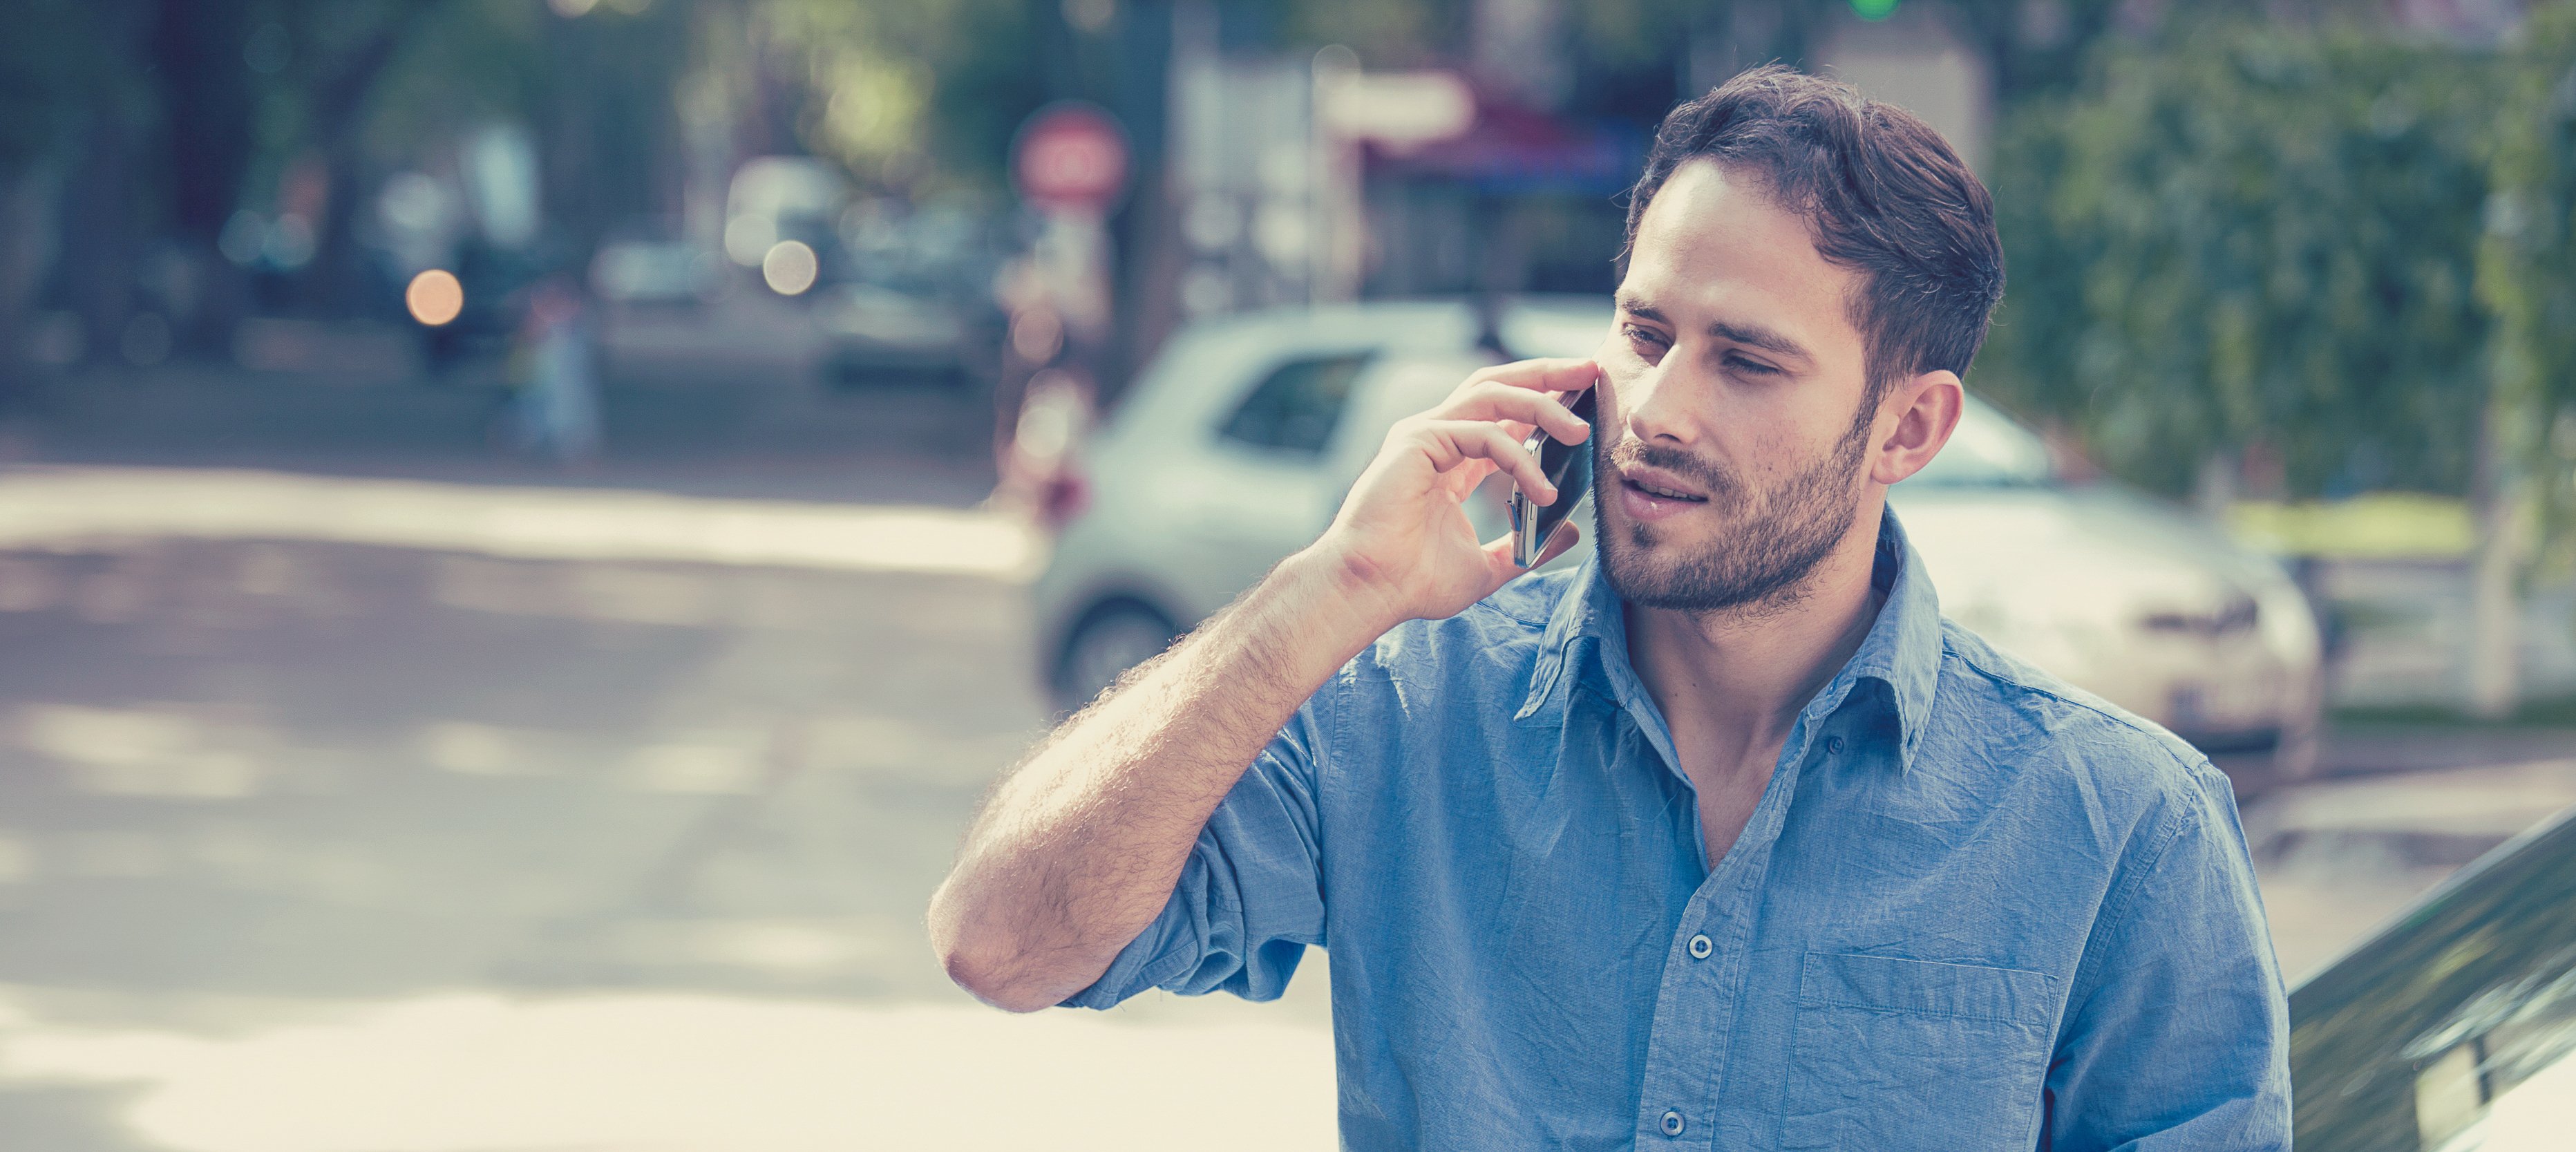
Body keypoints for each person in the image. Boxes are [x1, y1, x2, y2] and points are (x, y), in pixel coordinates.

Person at [929, 66, 2290, 1151]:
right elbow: (1002, 946)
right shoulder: (1404, 713)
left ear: (1910, 427)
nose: (1658, 412)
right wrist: (1324, 592)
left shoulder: (2120, 829)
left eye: (1748, 363)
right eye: (1645, 335)